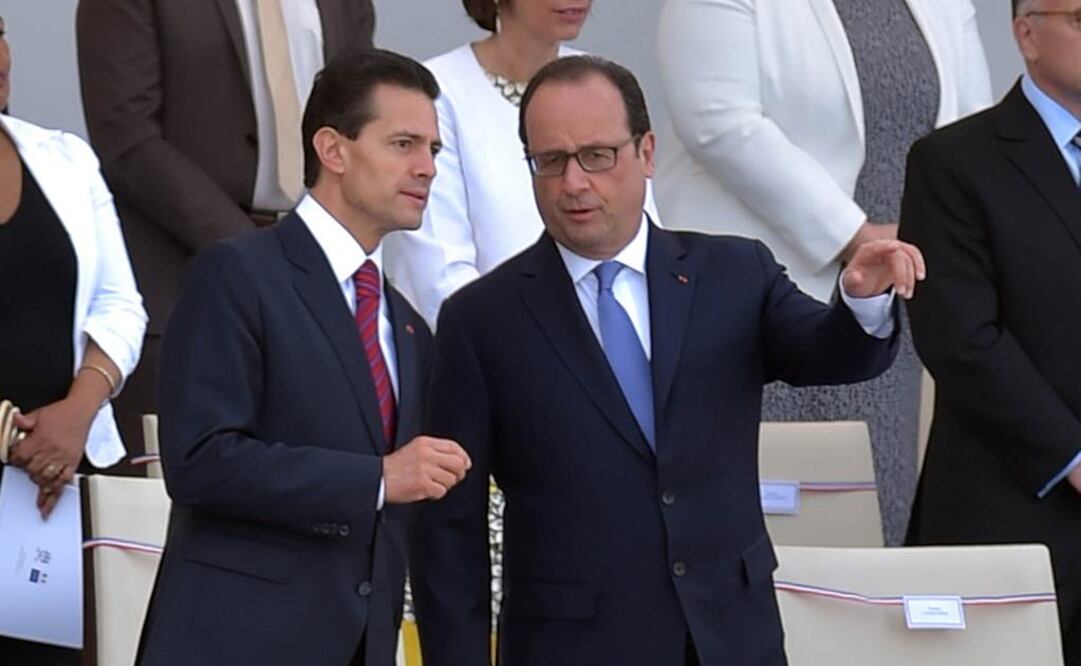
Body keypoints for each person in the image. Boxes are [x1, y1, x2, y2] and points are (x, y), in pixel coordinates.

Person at [410, 55, 924, 666]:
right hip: (571, 646)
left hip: (729, 636)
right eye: (550, 161)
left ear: (647, 153)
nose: (574, 182)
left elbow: (826, 351)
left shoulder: (732, 273)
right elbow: (448, 531)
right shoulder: (482, 320)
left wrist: (861, 300)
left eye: (598, 156)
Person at [136, 50, 471, 666]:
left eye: (434, 150)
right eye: (403, 144)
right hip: (232, 644)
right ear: (333, 149)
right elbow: (199, 460)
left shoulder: (409, 326)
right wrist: (377, 479)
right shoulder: (236, 272)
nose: (426, 168)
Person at [655, 0, 993, 543]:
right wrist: (856, 237)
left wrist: (932, 234)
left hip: (888, 309)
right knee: (762, 532)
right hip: (756, 311)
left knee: (874, 525)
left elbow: (973, 125)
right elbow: (716, 118)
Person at [75, 0, 375, 464]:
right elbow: (126, 136)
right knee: (170, 515)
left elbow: (360, 115)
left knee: (320, 492)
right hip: (182, 288)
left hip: (324, 285)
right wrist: (266, 254)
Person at [902, 1, 1081, 661]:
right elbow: (959, 338)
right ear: (1026, 34)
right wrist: (1073, 456)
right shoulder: (952, 161)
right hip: (1007, 512)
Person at [0, 14, 147, 665]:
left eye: (0, 31)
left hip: (47, 488)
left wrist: (78, 412)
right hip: (36, 457)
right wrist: (13, 435)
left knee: (41, 653)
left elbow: (121, 304)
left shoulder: (63, 157)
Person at [384, 0, 661, 328]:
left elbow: (639, 234)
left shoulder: (602, 86)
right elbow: (438, 275)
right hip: (494, 351)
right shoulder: (434, 93)